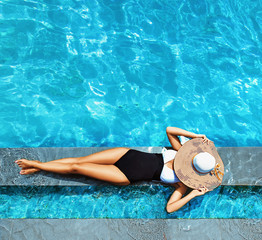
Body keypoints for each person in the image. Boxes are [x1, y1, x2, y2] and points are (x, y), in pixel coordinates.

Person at [15, 127, 224, 213]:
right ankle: (37, 166)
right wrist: (195, 137)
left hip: (126, 175)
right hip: (127, 154)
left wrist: (194, 194)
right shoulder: (181, 152)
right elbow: (170, 129)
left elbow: (170, 208)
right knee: (80, 160)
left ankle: (37, 166)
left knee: (78, 167)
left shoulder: (183, 183)